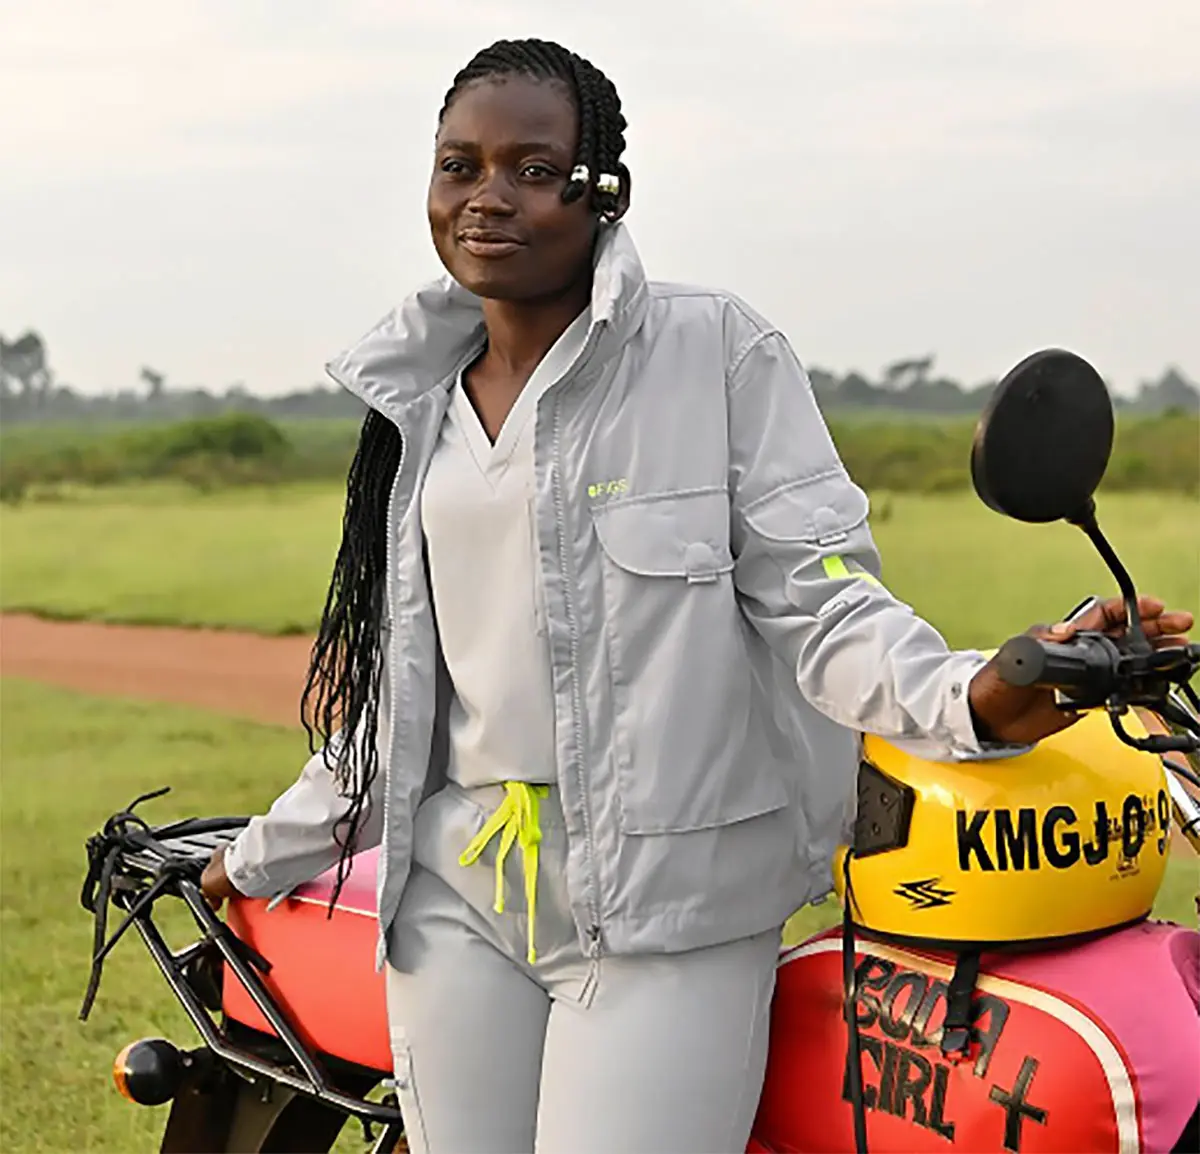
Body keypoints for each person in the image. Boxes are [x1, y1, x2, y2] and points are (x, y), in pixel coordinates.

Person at [200, 38, 1193, 1154]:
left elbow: (825, 604)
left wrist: (985, 690)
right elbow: (411, 694)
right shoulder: (415, 399)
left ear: (603, 193)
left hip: (667, 903)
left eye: (533, 169)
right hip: (459, 886)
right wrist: (256, 853)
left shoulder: (715, 351)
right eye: (459, 165)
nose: (488, 197)